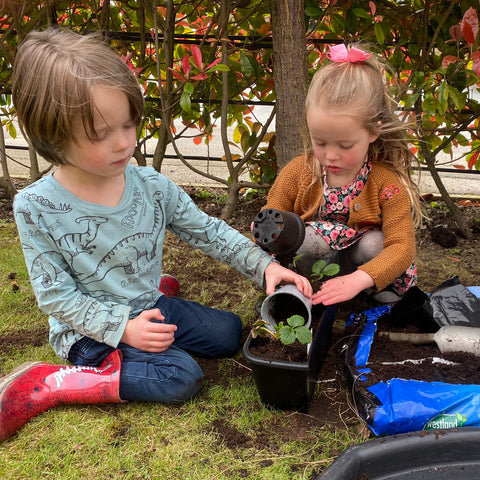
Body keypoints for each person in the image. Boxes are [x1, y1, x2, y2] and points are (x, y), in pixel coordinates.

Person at [0, 28, 312, 441]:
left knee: (229, 333)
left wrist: (264, 265)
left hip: (148, 301)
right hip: (89, 333)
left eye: (129, 124)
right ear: (52, 134)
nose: (124, 142)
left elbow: (207, 230)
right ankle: (52, 382)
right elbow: (55, 295)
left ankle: (145, 291)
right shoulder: (36, 207)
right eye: (100, 134)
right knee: (180, 377)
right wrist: (123, 330)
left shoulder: (150, 186)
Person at [261, 43, 423, 307]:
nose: (330, 155)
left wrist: (359, 279)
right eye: (320, 142)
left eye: (345, 145)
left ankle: (368, 292)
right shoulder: (298, 172)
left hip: (362, 268)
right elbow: (273, 213)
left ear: (373, 132)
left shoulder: (386, 183)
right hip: (316, 264)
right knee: (306, 237)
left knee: (376, 244)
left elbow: (401, 246)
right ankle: (308, 287)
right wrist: (265, 231)